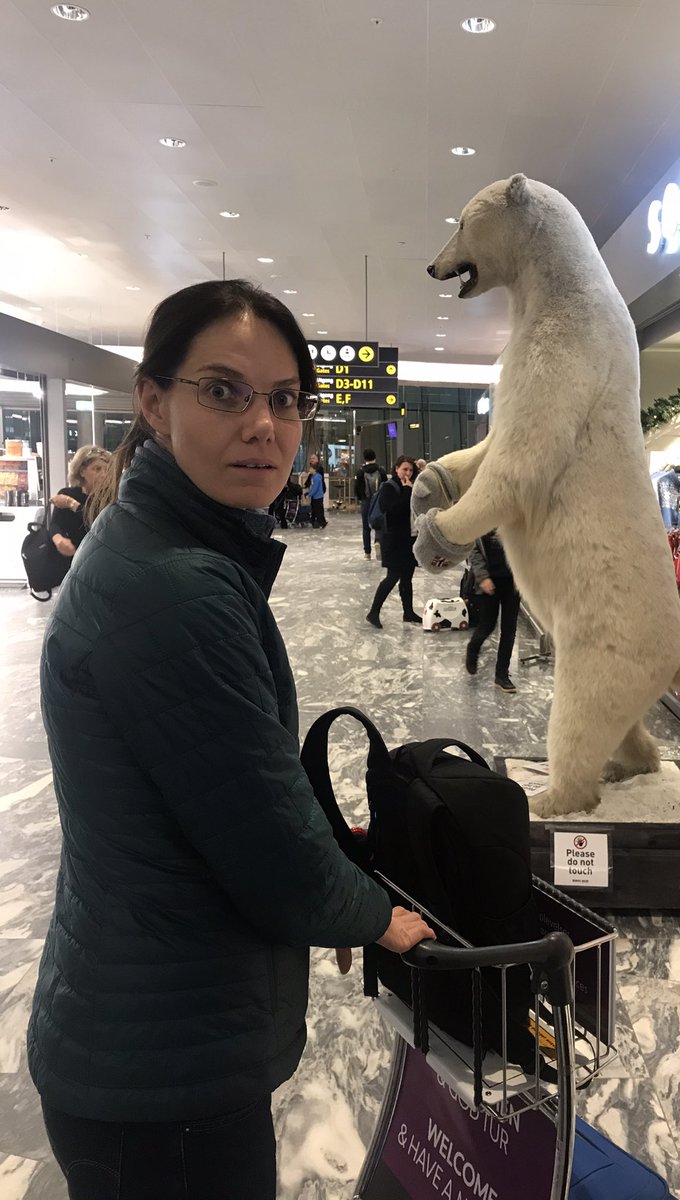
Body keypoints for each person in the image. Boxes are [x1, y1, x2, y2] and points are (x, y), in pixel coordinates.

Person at [29, 279, 434, 1200]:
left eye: (285, 399)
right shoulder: (178, 586)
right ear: (153, 399)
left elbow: (217, 785)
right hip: (163, 1070)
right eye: (223, 391)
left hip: (132, 1024)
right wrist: (375, 914)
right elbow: (268, 844)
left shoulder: (151, 538)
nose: (263, 424)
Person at [366, 455, 422, 628]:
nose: (408, 473)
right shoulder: (390, 488)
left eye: (411, 470)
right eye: (405, 469)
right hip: (394, 540)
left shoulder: (412, 486)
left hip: (409, 539)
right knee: (392, 577)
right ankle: (373, 612)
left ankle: (408, 612)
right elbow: (393, 512)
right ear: (396, 469)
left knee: (407, 577)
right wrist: (406, 491)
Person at [465, 530, 521, 693]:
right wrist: (483, 578)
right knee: (487, 625)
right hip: (488, 583)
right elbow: (472, 550)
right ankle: (473, 648)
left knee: (509, 629)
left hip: (513, 583)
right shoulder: (482, 521)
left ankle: (502, 674)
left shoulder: (514, 520)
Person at [47, 444, 110, 561]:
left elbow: (96, 522)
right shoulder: (67, 493)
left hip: (97, 560)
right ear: (82, 471)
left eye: (106, 470)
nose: (103, 475)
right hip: (68, 560)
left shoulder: (109, 498)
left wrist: (72, 504)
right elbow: (55, 525)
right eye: (97, 469)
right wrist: (58, 540)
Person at [354, 448, 387, 559]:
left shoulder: (361, 472)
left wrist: (360, 498)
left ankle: (367, 553)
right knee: (379, 524)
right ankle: (378, 542)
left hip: (366, 501)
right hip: (379, 501)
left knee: (365, 527)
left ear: (365, 458)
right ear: (375, 457)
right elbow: (386, 485)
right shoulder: (381, 470)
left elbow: (357, 487)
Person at [305, 458, 326, 528]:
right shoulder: (313, 477)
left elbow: (315, 488)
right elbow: (312, 487)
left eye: (310, 468)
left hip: (318, 497)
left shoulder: (316, 478)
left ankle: (321, 523)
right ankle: (315, 521)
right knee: (315, 509)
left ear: (314, 469)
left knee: (318, 510)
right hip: (315, 496)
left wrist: (309, 494)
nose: (309, 470)